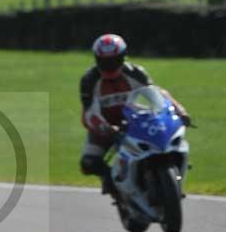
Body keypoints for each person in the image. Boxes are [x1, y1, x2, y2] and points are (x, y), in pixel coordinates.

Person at [79, 34, 190, 196]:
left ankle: (173, 180)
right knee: (88, 162)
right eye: (104, 62)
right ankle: (111, 182)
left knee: (165, 144)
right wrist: (107, 128)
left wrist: (180, 110)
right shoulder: (89, 80)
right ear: (97, 60)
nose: (109, 67)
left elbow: (157, 94)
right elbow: (90, 113)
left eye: (114, 61)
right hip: (103, 126)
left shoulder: (136, 72)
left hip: (134, 120)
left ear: (123, 57)